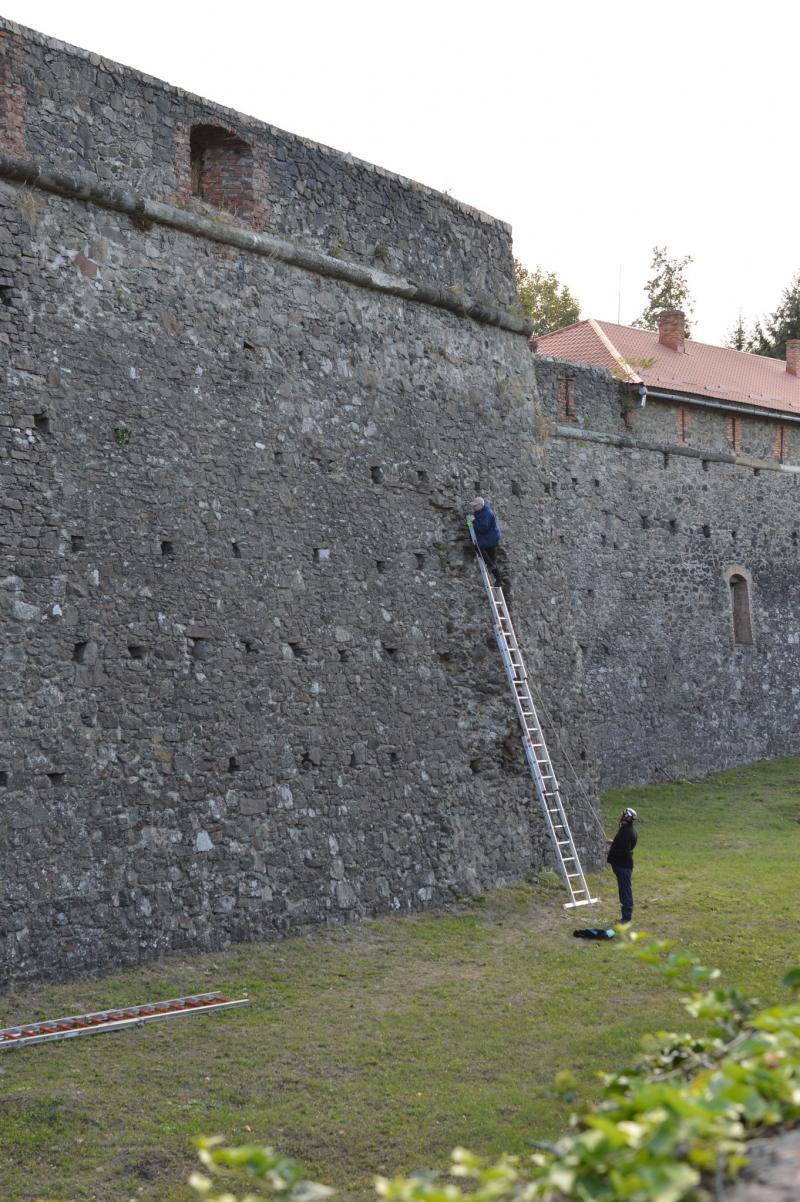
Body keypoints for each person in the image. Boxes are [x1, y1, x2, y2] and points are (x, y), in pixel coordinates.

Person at [466, 497, 509, 594]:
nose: (473, 508)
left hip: (491, 538)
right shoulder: (480, 511)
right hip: (489, 537)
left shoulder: (487, 513)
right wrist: (469, 522)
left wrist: (472, 521)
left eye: (475, 506)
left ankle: (493, 571)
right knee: (492, 560)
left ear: (481, 505)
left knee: (478, 548)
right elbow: (472, 526)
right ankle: (498, 579)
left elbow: (482, 528)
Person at [606, 807, 637, 924]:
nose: (621, 816)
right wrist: (612, 843)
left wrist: (610, 851)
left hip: (623, 866)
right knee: (623, 890)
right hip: (621, 866)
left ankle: (626, 917)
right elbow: (622, 846)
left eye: (623, 815)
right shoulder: (625, 829)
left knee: (625, 891)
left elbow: (624, 851)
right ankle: (625, 916)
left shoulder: (628, 832)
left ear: (627, 817)